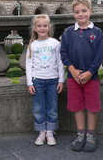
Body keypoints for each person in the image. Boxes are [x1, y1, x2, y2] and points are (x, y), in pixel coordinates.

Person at [60, 0, 103, 152]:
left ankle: (91, 135)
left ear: (90, 12)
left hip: (91, 78)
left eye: (84, 11)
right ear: (73, 14)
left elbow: (99, 55)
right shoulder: (68, 32)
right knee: (77, 106)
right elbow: (63, 53)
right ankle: (80, 134)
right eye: (77, 12)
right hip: (73, 78)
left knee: (92, 107)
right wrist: (71, 69)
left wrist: (90, 71)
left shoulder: (97, 32)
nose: (81, 14)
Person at [26, 14, 65, 146]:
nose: (42, 28)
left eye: (45, 25)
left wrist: (61, 80)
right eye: (39, 26)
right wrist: (29, 83)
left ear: (49, 27)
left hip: (53, 80)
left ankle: (50, 131)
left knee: (52, 107)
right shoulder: (33, 44)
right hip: (38, 81)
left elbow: (60, 63)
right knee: (38, 108)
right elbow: (28, 65)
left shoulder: (55, 43)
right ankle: (41, 131)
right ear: (35, 28)